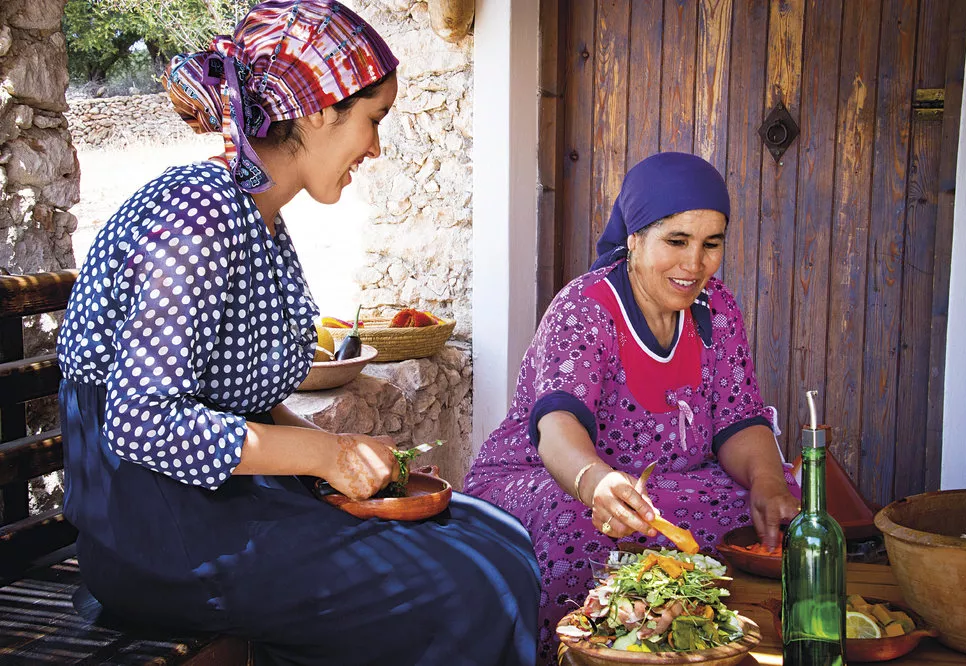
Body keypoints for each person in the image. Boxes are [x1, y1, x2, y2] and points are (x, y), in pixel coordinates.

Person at [56, 2, 539, 664]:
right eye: (372, 120)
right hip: (160, 531)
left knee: (498, 536)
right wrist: (325, 457)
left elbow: (242, 398)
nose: (375, 147)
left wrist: (340, 454)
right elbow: (141, 424)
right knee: (470, 585)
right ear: (317, 109)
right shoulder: (197, 218)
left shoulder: (261, 217)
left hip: (228, 505)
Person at [463, 152, 801, 664]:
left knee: (779, 504)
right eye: (677, 241)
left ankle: (710, 642)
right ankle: (576, 655)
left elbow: (738, 420)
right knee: (583, 524)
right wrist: (595, 482)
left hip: (659, 489)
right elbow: (557, 427)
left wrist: (768, 481)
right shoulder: (586, 308)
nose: (695, 264)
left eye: (712, 244)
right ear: (635, 238)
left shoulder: (717, 309)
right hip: (552, 477)